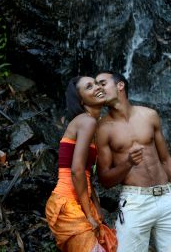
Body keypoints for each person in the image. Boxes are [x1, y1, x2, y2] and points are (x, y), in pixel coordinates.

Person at [95, 71, 171, 252]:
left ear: (120, 85)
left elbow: (166, 159)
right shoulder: (103, 129)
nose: (98, 89)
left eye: (102, 83)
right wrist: (127, 163)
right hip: (135, 202)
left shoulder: (149, 115)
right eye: (95, 85)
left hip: (167, 198)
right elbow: (104, 180)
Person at [45, 76, 117, 252]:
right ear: (81, 100)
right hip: (68, 203)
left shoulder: (91, 124)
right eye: (89, 86)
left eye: (98, 83)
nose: (97, 87)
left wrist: (96, 208)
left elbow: (86, 174)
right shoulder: (87, 121)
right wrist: (89, 215)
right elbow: (76, 171)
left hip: (76, 202)